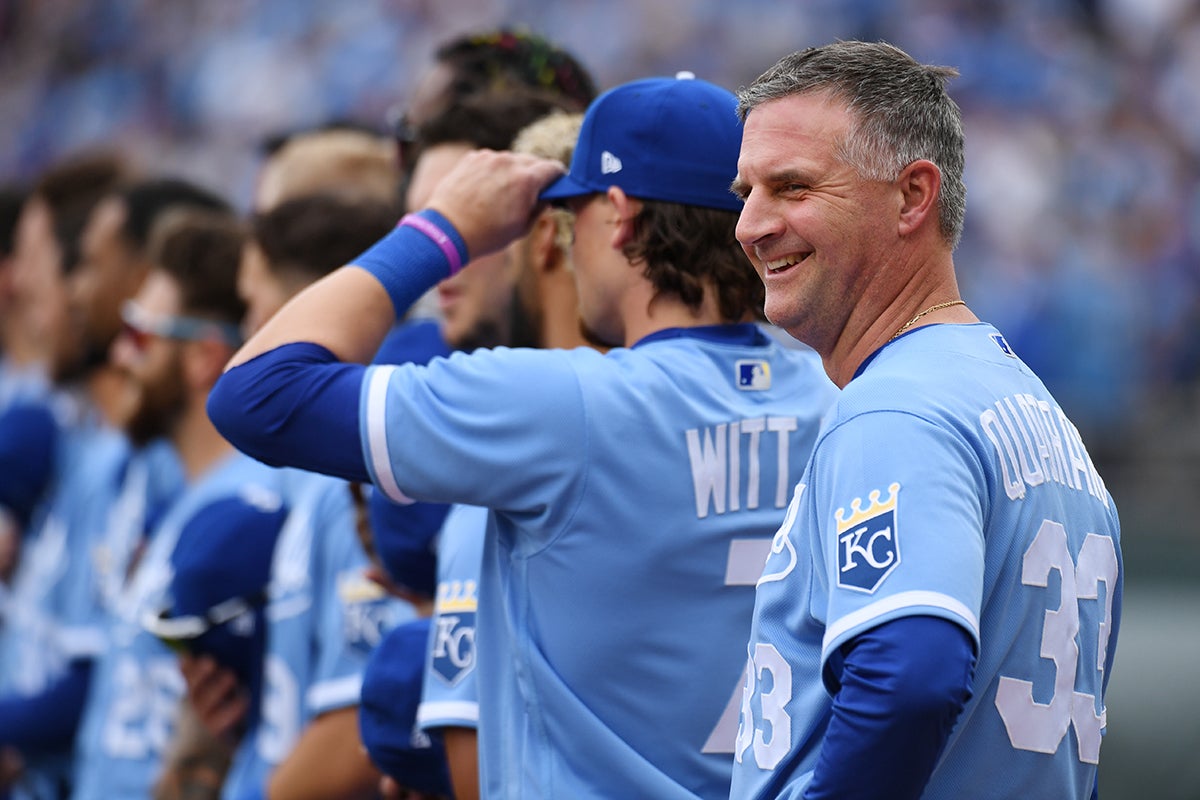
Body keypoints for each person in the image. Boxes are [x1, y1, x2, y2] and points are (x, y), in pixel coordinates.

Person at [207, 73, 837, 798]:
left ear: (620, 217)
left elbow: (255, 393)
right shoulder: (834, 399)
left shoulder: (562, 404)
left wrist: (441, 232)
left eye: (576, 220)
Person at [727, 40, 1122, 800]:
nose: (750, 225)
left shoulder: (898, 408)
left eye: (793, 187)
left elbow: (909, 677)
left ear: (914, 196)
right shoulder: (1031, 409)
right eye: (746, 191)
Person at [70, 210, 288, 800]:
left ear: (203, 358)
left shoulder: (249, 511)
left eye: (141, 335)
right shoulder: (183, 500)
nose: (119, 356)